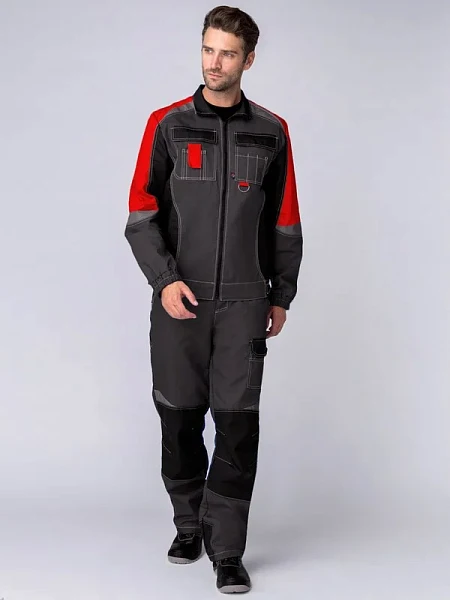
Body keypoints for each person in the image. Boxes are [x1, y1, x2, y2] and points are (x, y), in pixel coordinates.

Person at [124, 5, 303, 594]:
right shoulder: (167, 125)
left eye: (227, 53)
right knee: (178, 421)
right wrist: (164, 279)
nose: (214, 63)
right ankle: (188, 524)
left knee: (237, 429)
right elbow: (141, 213)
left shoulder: (272, 131)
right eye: (208, 49)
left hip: (246, 306)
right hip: (181, 301)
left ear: (248, 60)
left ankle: (228, 550)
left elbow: (284, 219)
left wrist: (282, 293)